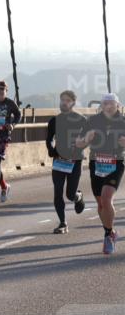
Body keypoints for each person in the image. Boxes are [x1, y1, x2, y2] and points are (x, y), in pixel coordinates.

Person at [74, 93, 125, 255]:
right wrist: (86, 140)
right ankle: (110, 231)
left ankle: (108, 235)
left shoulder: (123, 121)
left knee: (106, 197)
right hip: (96, 163)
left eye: (111, 103)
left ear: (117, 105)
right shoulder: (93, 121)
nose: (108, 106)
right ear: (101, 106)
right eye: (105, 104)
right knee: (101, 203)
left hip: (116, 162)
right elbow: (78, 143)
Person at [46, 90, 87, 233]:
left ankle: (77, 196)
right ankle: (63, 223)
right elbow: (49, 139)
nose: (64, 103)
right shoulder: (54, 120)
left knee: (70, 194)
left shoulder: (82, 120)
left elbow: (89, 138)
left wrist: (81, 145)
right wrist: (51, 150)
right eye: (62, 100)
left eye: (67, 100)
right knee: (58, 191)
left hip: (75, 161)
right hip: (59, 160)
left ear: (73, 103)